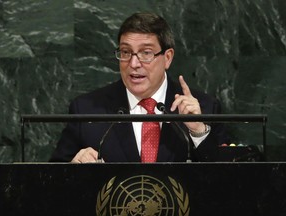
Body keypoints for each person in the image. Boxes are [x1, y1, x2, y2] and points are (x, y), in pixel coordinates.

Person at [50, 12, 229, 163]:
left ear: (167, 58)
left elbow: (228, 182)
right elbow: (48, 181)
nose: (134, 63)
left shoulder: (205, 108)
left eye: (146, 53)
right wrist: (72, 170)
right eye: (126, 52)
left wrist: (198, 131)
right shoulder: (86, 111)